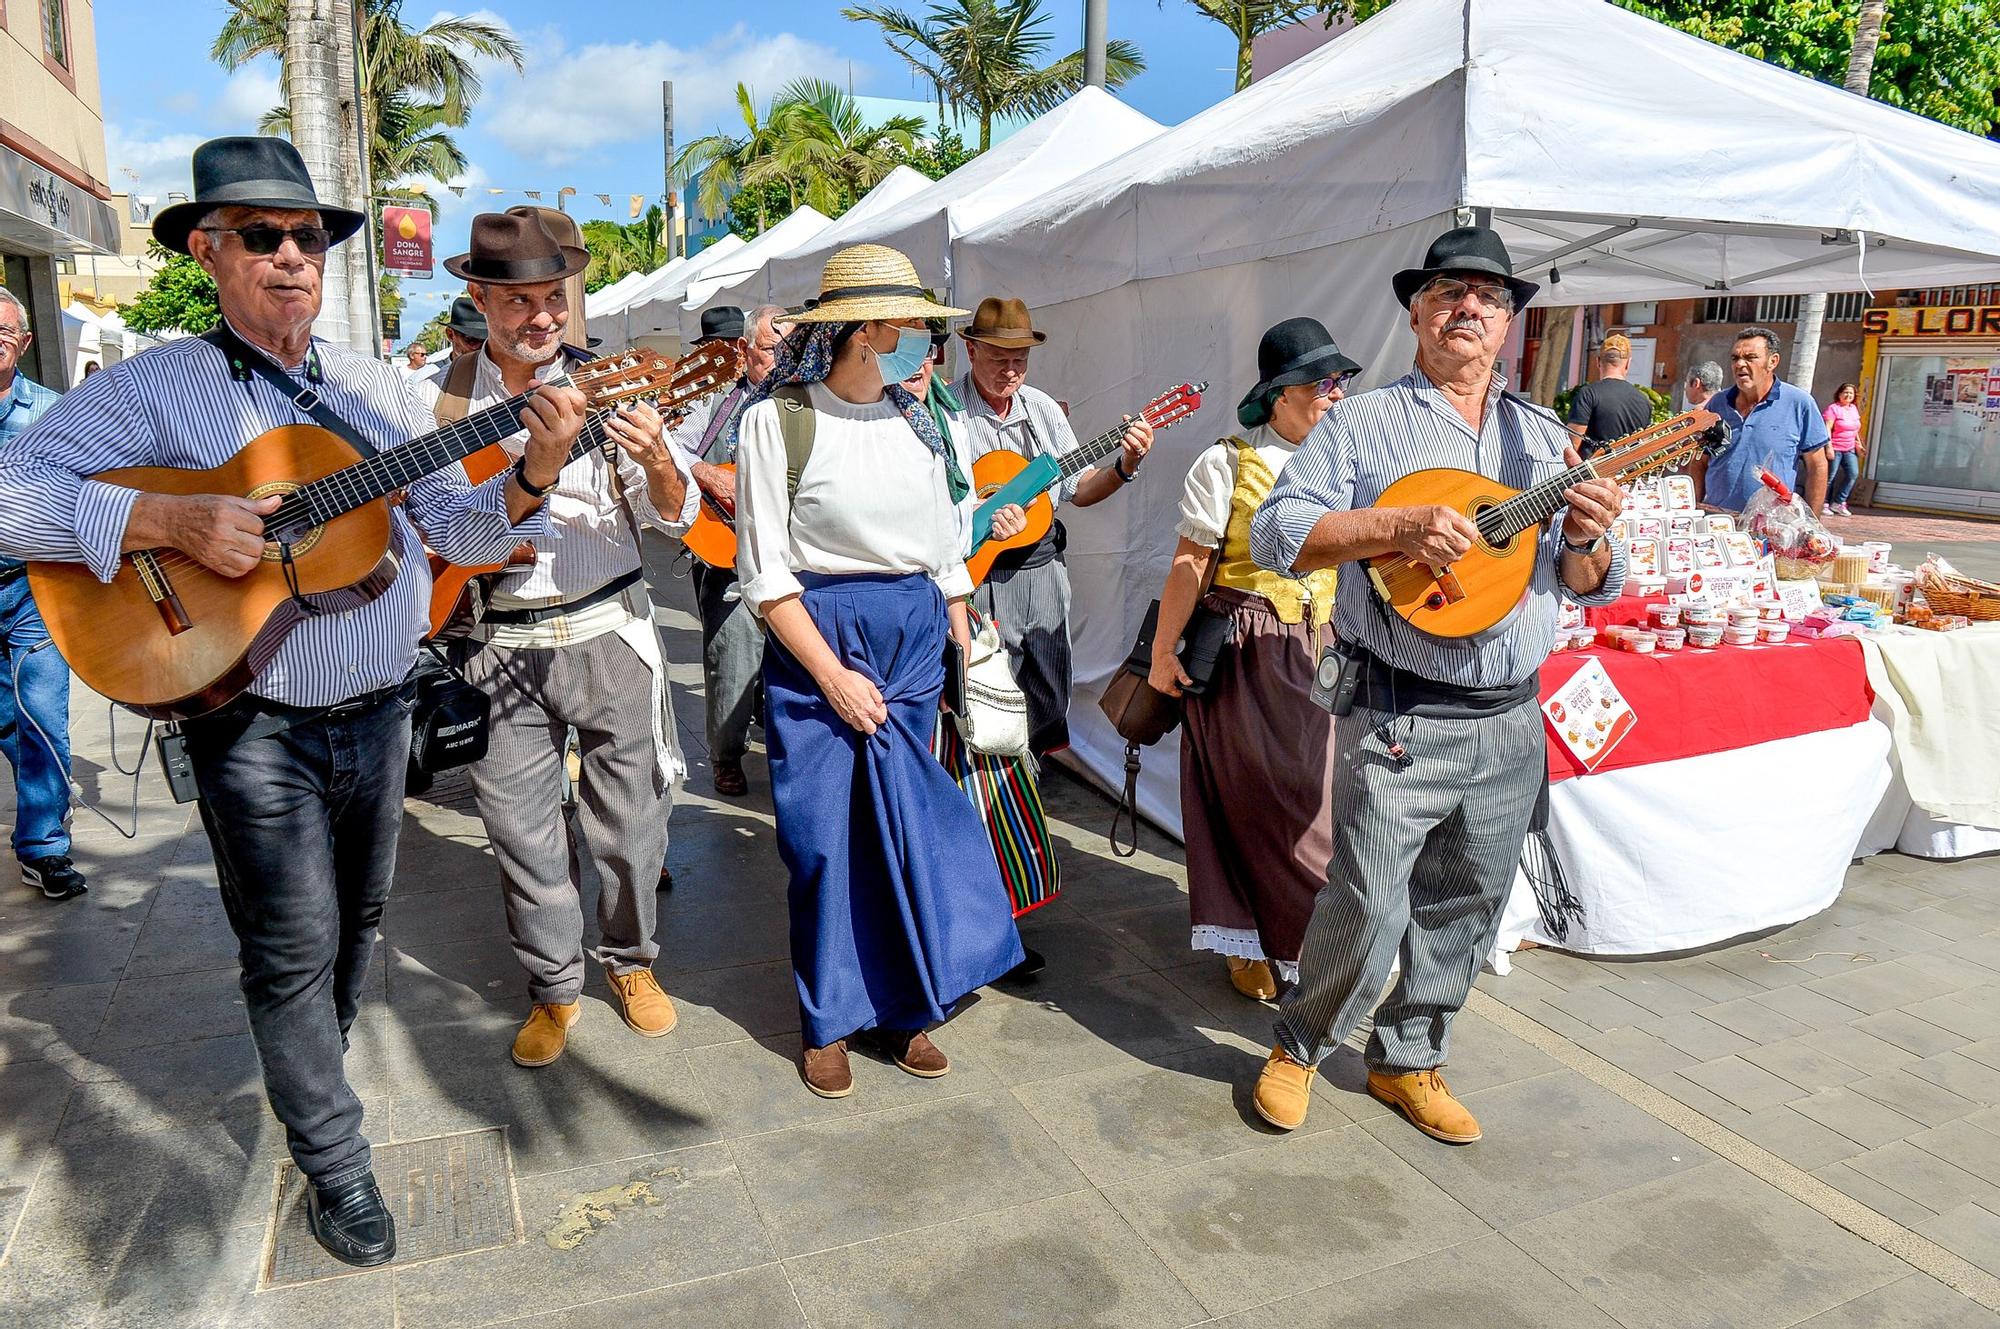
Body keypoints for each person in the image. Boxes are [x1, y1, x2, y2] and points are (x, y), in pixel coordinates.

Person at [0, 136, 562, 1266]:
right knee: (292, 946)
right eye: (263, 236)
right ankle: (335, 1161)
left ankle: (311, 1067)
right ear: (209, 253)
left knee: (355, 928)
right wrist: (166, 523)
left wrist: (536, 471)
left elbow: (457, 529)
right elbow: (11, 496)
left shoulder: (374, 387)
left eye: (309, 236)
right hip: (248, 721)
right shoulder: (158, 385)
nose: (293, 256)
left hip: (382, 704)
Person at [1247, 226, 1627, 1141]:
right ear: (1416, 313)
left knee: (1468, 895)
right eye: (1449, 292)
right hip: (1401, 709)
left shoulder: (1541, 438)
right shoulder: (1360, 423)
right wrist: (1393, 526)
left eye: (1489, 298)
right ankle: (1300, 1042)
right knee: (1369, 895)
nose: (1469, 308)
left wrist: (1583, 536)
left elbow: (1588, 580)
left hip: (1510, 716)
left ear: (1508, 327)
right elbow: (1275, 531)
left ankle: (1410, 1057)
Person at [733, 244, 1023, 1098]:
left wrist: (961, 639)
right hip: (821, 648)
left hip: (911, 652)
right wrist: (832, 675)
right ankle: (828, 1016)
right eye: (910, 329)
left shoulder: (926, 422)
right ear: (865, 331)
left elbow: (945, 552)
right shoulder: (777, 420)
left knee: (908, 825)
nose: (924, 347)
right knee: (825, 840)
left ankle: (906, 1005)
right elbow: (766, 573)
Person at [411, 210, 695, 1070]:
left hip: (608, 627)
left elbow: (673, 519)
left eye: (552, 297)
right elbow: (438, 530)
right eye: (519, 300)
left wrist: (657, 466)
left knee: (630, 824)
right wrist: (525, 480)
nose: (540, 316)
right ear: (480, 300)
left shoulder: (618, 384)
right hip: (497, 639)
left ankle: (632, 963)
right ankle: (553, 986)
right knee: (523, 834)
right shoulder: (441, 399)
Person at [1151, 318, 1357, 1002]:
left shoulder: (1342, 464)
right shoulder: (1228, 462)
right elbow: (1190, 562)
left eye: (1339, 382)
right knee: (1247, 799)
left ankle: (1300, 941)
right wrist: (1161, 652)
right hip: (1243, 645)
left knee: (1313, 801)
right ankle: (1258, 941)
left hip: (1320, 647)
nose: (1334, 395)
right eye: (1322, 383)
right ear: (1280, 395)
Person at [949, 297, 1153, 758]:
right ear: (971, 351)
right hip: (976, 573)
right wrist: (973, 508)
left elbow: (1079, 489)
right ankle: (987, 798)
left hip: (1041, 571)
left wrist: (1125, 465)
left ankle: (1029, 788)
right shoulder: (949, 413)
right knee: (982, 689)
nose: (1010, 370)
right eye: (999, 359)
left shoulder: (1042, 410)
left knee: (1047, 691)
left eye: (1019, 360)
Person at [670, 303, 790, 797]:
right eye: (769, 350)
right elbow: (668, 443)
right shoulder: (718, 400)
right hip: (732, 553)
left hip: (794, 554)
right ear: (743, 350)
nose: (780, 360)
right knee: (733, 656)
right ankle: (725, 754)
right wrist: (707, 473)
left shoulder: (804, 403)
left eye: (789, 350)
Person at [0, 285, 83, 900]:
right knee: (8, 719)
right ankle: (44, 794)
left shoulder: (55, 414)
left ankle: (44, 844)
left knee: (42, 716)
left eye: (6, 332)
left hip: (35, 587)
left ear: (25, 343)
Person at [1690, 327, 1829, 515]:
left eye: (1750, 357)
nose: (1740, 364)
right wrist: (1695, 508)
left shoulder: (1799, 404)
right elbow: (1700, 461)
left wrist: (1813, 524)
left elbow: (1817, 466)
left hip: (1771, 526)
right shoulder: (1718, 404)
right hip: (1718, 523)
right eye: (1735, 358)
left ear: (1772, 361)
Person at [1565, 332, 1653, 459]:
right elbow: (1644, 447)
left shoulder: (1588, 394)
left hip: (1593, 475)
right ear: (1628, 363)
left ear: (1598, 361)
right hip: (1627, 475)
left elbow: (1572, 444)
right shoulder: (1644, 401)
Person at [1823, 382, 1862, 516]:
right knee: (1830, 477)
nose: (1848, 395)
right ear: (1839, 394)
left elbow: (1855, 428)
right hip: (1836, 447)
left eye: (1851, 393)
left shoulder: (1853, 409)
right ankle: (1823, 502)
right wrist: (1829, 446)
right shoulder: (1833, 408)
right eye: (1845, 392)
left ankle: (1839, 502)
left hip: (1849, 448)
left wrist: (1859, 443)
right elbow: (1827, 427)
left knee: (1853, 474)